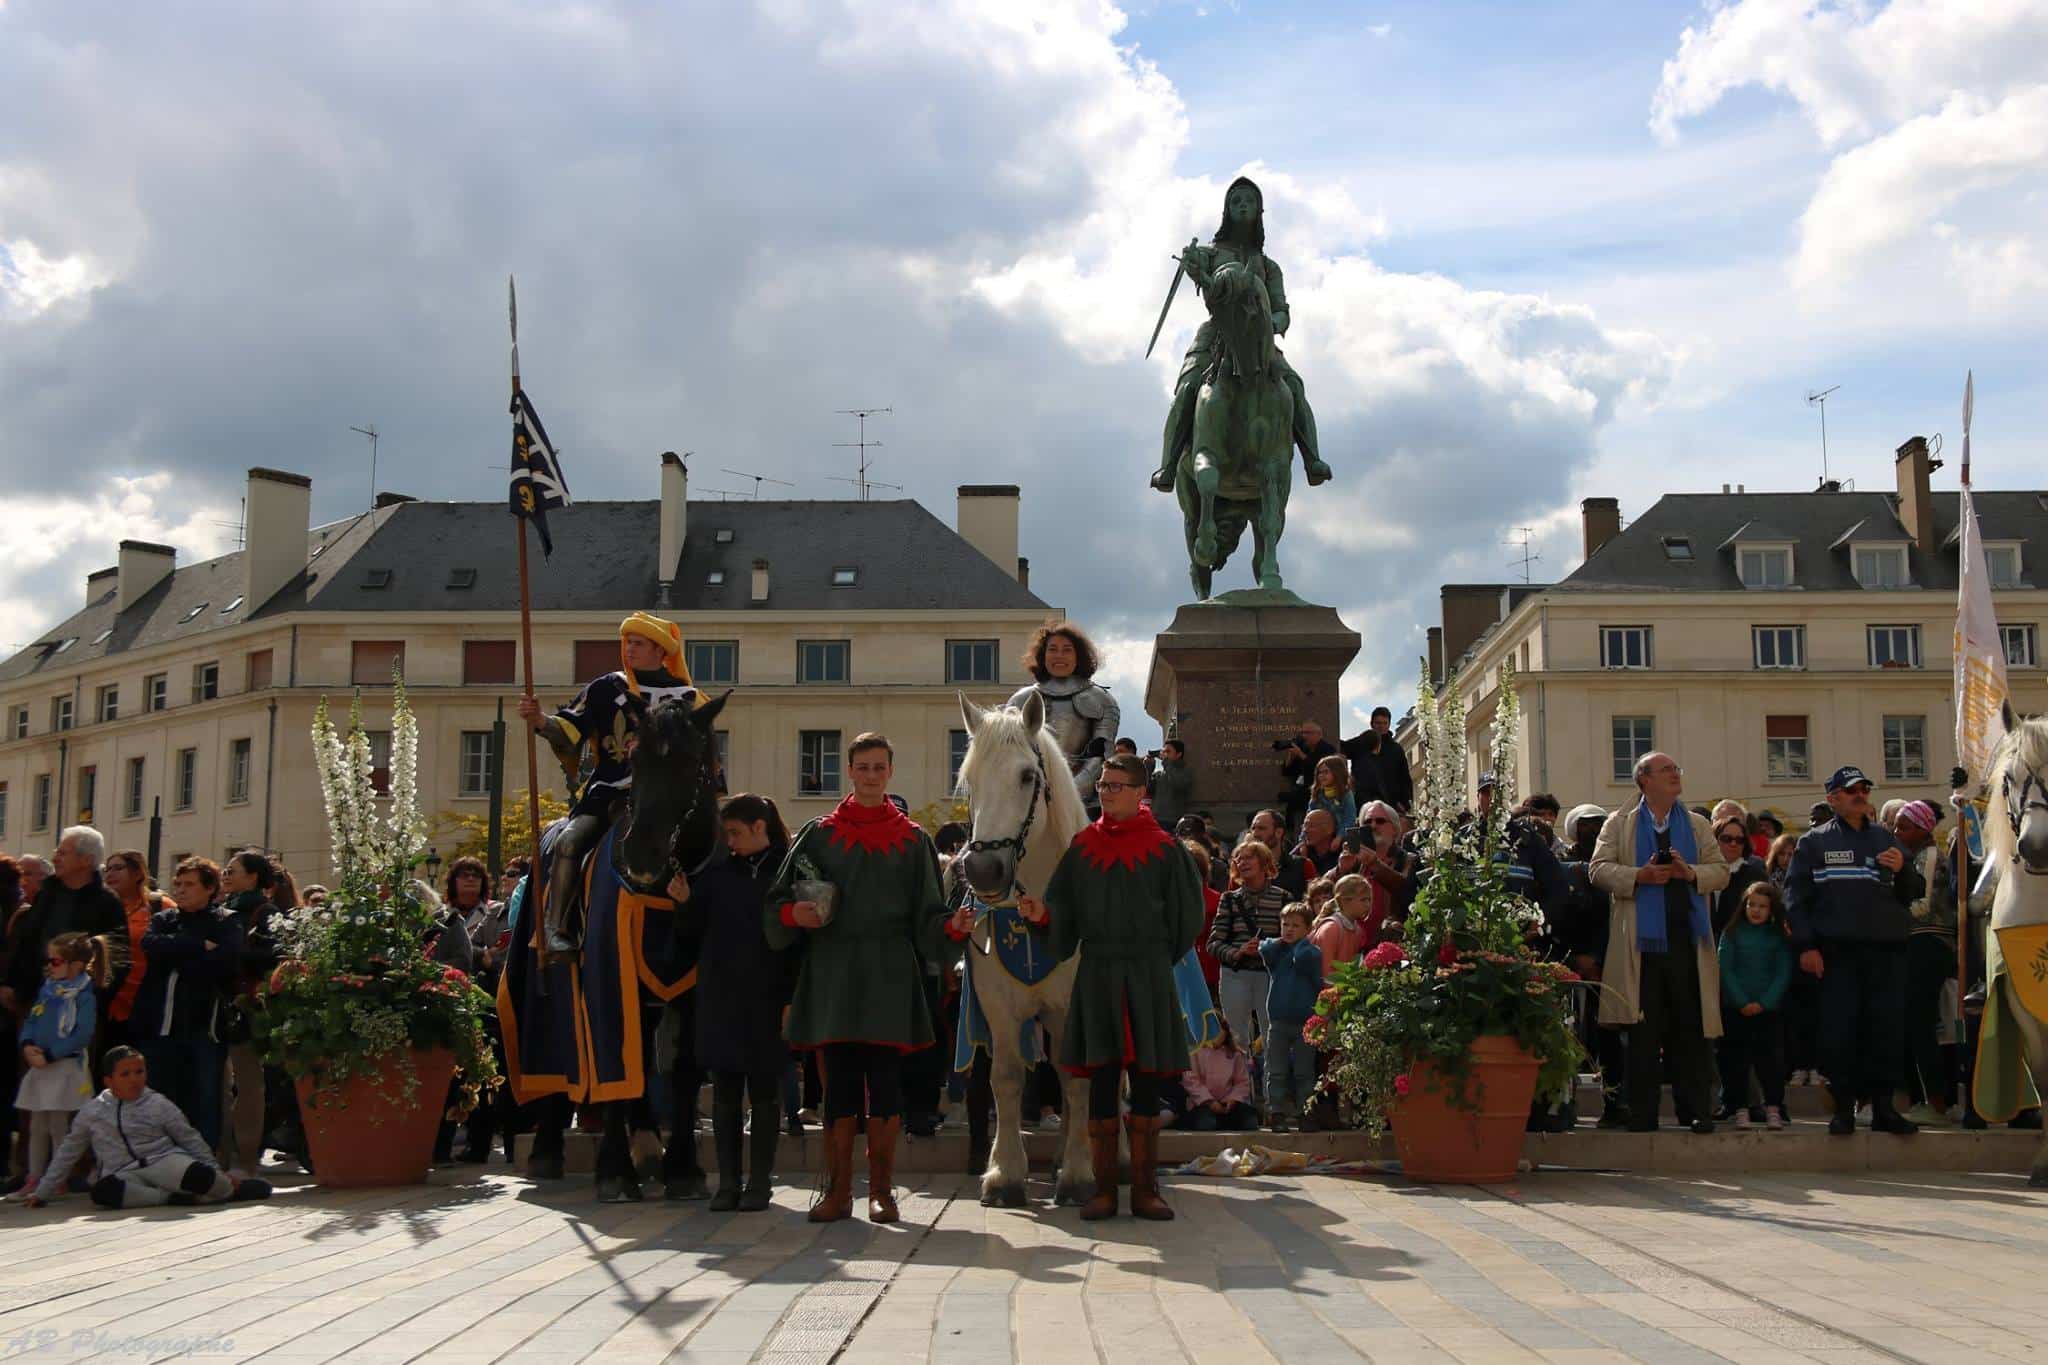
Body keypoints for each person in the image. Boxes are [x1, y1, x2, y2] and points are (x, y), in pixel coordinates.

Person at [765, 733, 954, 1224]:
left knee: (887, 1085)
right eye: (863, 767)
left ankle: (884, 1192)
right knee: (838, 1086)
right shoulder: (817, 834)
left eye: (879, 767)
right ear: (849, 770)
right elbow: (775, 901)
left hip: (890, 972)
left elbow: (928, 916)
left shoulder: (915, 840)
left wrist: (952, 927)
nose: (871, 775)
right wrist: (793, 915)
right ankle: (838, 1192)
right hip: (832, 970)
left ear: (891, 771)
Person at [1016, 754, 1204, 1221]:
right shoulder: (1082, 848)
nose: (1107, 792)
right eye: (1102, 784)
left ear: (1142, 792)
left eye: (1118, 785)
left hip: (1146, 972)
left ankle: (1144, 1189)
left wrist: (1151, 958)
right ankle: (1103, 1190)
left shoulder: (1165, 849)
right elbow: (1063, 912)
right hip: (1097, 971)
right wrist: (1044, 917)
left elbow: (1188, 919)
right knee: (1100, 1079)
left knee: (1144, 1083)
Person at [518, 612, 699, 958]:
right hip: (610, 791)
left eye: (638, 643)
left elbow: (701, 752)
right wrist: (541, 720)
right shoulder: (605, 688)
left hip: (667, 799)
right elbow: (570, 729)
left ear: (661, 650)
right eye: (626, 642)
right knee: (570, 842)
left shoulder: (688, 698)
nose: (628, 649)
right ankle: (556, 928)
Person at [1150, 175, 1332, 494]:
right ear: (1227, 211)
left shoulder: (1269, 266)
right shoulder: (1211, 252)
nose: (1243, 205)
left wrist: (1271, 324)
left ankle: (1312, 459)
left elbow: (1281, 309)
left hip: (1259, 341)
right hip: (1215, 336)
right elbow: (1197, 269)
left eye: (1249, 201)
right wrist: (1192, 262)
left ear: (1260, 211)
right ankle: (1168, 465)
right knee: (1188, 389)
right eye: (1236, 201)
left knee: (1294, 387)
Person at [1589, 752, 1731, 1134]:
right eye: (1666, 770)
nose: (1675, 774)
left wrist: (1690, 872)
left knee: (1692, 1029)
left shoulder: (1698, 825)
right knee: (1642, 1032)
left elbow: (1721, 872)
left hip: (1687, 941)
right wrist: (1641, 875)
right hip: (1641, 947)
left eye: (1676, 769)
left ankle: (1697, 1110)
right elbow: (1597, 870)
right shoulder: (1619, 823)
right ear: (1644, 780)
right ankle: (1642, 1114)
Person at [666, 794, 795, 1213]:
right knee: (724, 1092)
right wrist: (684, 904)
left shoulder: (788, 873)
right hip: (721, 998)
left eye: (736, 833)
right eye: (728, 834)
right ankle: (728, 1183)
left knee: (763, 1091)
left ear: (760, 827)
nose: (731, 842)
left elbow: (801, 942)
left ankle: (759, 1183)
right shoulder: (717, 876)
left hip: (769, 998)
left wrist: (793, 998)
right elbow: (689, 938)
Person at [1785, 765, 1923, 1136]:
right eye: (1850, 790)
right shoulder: (1813, 842)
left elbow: (1914, 892)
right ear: (1833, 799)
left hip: (1887, 952)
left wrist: (1904, 871)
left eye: (1863, 788)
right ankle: (1843, 1109)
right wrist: (1807, 946)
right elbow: (1796, 899)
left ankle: (1884, 1110)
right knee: (1840, 1033)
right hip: (1838, 954)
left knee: (1886, 1032)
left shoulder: (1885, 839)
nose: (1859, 794)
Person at [24, 1047, 271, 1209]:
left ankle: (228, 1189)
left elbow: (189, 1138)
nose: (134, 1079)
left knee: (201, 1176)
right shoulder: (93, 1111)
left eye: (139, 1072)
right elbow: (69, 1150)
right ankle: (171, 1199)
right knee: (103, 1192)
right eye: (125, 1074)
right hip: (123, 1172)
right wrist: (43, 1192)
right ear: (109, 1081)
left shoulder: (157, 1103)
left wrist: (216, 1170)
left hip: (163, 1162)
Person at [132, 858, 244, 1150]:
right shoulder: (164, 919)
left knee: (205, 1098)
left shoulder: (225, 920)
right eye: (178, 884)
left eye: (189, 884)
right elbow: (151, 946)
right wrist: (197, 946)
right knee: (161, 1096)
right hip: (160, 1026)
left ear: (209, 889)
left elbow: (221, 962)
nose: (180, 890)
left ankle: (205, 1162)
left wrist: (179, 953)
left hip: (204, 1027)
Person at [9, 932, 107, 1202]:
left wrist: (51, 1055)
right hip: (40, 1066)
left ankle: (57, 1178)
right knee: (36, 1125)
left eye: (55, 961)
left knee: (57, 1125)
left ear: (75, 965)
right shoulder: (48, 989)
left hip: (63, 1066)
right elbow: (32, 1019)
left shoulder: (83, 996)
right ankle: (35, 1176)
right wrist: (28, 1044)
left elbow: (82, 1034)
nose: (49, 966)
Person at [4, 828, 123, 1017]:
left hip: (75, 1013)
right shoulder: (47, 894)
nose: (55, 859)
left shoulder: (107, 903)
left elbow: (117, 961)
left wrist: (90, 1002)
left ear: (86, 860)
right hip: (33, 1004)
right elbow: (26, 943)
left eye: (62, 853)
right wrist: (11, 985)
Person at [1009, 621, 1120, 814]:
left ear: (1078, 656)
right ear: (1043, 656)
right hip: (1025, 800)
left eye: (1067, 650)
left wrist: (1067, 792)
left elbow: (1101, 756)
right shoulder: (1020, 700)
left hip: (1083, 804)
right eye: (1053, 649)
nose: (1059, 656)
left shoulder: (1101, 700)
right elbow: (1008, 753)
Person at [1717, 881, 1793, 1130]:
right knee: (1736, 1062)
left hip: (1767, 1011)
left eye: (1762, 906)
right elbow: (1725, 969)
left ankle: (1773, 1108)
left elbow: (1783, 972)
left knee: (1770, 1063)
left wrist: (1765, 1002)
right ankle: (1739, 1108)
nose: (1756, 910)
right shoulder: (1732, 933)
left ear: (1771, 909)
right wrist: (1741, 1001)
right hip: (1736, 1010)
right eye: (1752, 905)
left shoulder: (1778, 936)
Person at [220, 850, 278, 1171]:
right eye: (225, 870)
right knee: (220, 1085)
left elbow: (271, 956)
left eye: (233, 870)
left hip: (247, 1006)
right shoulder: (219, 910)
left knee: (248, 1083)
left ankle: (246, 1153)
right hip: (218, 1005)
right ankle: (220, 1152)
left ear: (253, 877)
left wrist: (232, 952)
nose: (226, 875)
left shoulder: (264, 912)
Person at [1207, 842, 1291, 1064]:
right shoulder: (1229, 899)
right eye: (1238, 859)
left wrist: (1268, 948)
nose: (1242, 863)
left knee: (1272, 1036)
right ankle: (1242, 1093)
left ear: (1264, 862)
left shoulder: (1283, 898)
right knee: (1237, 1040)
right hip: (1236, 975)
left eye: (1248, 858)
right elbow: (1214, 943)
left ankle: (1271, 1093)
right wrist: (1238, 951)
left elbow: (1293, 940)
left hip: (1269, 976)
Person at [1901, 802, 1958, 1125]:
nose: (1897, 833)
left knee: (1922, 1024)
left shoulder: (1929, 857)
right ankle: (1932, 1098)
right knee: (1919, 1024)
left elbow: (1921, 906)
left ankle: (1936, 1102)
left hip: (1928, 943)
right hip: (1919, 944)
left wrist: (1884, 913)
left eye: (1904, 827)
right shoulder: (1915, 857)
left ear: (1924, 829)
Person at [1258, 904, 1322, 1133]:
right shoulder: (1277, 952)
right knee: (1276, 1069)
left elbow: (1304, 958)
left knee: (1304, 1071)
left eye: (1296, 926)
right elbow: (1264, 948)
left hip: (1305, 1023)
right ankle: (1276, 1112)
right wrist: (1280, 941)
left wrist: (1301, 943)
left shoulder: (1311, 952)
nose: (1289, 930)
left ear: (1308, 929)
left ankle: (1305, 1111)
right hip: (1279, 1022)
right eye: (1285, 924)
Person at [99, 851, 167, 1051]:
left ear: (138, 873)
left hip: (147, 1006)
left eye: (118, 868)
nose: (110, 874)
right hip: (109, 1003)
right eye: (107, 869)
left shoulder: (159, 906)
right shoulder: (102, 908)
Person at [1177, 1018, 1256, 1131]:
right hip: (1203, 1104)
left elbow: (1242, 1082)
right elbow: (1191, 1080)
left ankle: (1223, 1122)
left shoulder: (1235, 1054)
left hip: (1228, 1103)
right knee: (1206, 1124)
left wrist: (1233, 1099)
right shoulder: (1196, 1052)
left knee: (1250, 1121)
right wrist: (1210, 1102)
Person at [1341, 706, 1413, 814]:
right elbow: (1341, 747)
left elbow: (1404, 777)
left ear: (1389, 724)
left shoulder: (1396, 749)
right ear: (1372, 724)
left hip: (1390, 802)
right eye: (1378, 723)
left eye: (1385, 723)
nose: (1381, 726)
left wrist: (1405, 803)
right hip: (1363, 801)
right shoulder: (1361, 742)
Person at [1278, 720, 1338, 835]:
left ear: (1319, 734)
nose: (1304, 736)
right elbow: (1286, 772)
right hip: (1301, 789)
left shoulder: (1327, 749)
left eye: (1308, 733)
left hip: (1319, 792)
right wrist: (1291, 755)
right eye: (1302, 733)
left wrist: (1300, 754)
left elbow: (1319, 769)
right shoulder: (1304, 748)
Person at [1711, 819, 1768, 939]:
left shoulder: (1756, 876)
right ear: (1714, 840)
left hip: (1741, 946)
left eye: (1739, 840)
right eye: (1726, 839)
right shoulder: (1703, 872)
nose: (1733, 844)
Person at [1246, 809, 1309, 895]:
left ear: (1278, 832)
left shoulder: (1303, 865)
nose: (1255, 833)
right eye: (1253, 828)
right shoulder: (1243, 867)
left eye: (1261, 828)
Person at [1148, 740, 1194, 832]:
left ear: (1178, 754)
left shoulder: (1184, 771)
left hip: (1172, 821)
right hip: (1155, 820)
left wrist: (1166, 763)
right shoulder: (1160, 773)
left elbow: (1178, 783)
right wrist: (1148, 769)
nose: (1165, 754)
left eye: (1168, 752)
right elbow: (1149, 790)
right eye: (1164, 751)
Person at [1306, 755, 1357, 836]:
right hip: (1320, 837)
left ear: (1337, 773)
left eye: (1326, 772)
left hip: (1341, 838)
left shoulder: (1346, 794)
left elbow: (1350, 819)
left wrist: (1339, 837)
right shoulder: (1317, 795)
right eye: (1320, 772)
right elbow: (1308, 820)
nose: (1322, 775)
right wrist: (1303, 840)